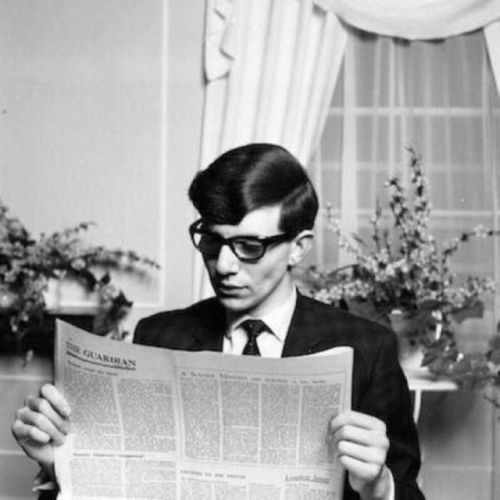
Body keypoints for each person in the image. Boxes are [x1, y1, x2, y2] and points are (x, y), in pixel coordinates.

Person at [12, 143, 424, 500]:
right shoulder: (158, 337)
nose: (224, 265)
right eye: (212, 241)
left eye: (248, 246)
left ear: (298, 248)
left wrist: (378, 487)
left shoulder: (368, 349)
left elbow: (407, 493)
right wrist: (59, 465)